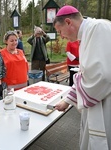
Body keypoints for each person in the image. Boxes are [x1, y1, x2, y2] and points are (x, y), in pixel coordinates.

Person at [53, 5, 111, 150]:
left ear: (68, 22)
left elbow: (101, 76)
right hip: (100, 98)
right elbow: (85, 74)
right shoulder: (87, 33)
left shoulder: (99, 28)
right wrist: (67, 101)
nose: (61, 36)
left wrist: (77, 86)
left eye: (60, 31)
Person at [0, 31, 29, 99]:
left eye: (16, 40)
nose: (14, 42)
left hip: (23, 90)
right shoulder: (0, 55)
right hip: (9, 91)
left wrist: (27, 80)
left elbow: (26, 67)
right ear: (6, 41)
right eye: (11, 41)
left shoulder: (21, 52)